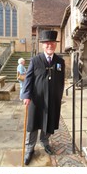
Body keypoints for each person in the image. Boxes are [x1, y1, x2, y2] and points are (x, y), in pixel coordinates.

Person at [22, 30, 65, 165]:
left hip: (52, 99)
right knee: (33, 124)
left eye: (52, 43)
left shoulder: (60, 61)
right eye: (47, 43)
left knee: (49, 122)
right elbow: (28, 79)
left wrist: (59, 96)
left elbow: (61, 81)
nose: (49, 45)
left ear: (55, 45)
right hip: (37, 99)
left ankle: (45, 142)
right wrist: (26, 95)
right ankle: (30, 148)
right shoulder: (35, 60)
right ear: (42, 45)